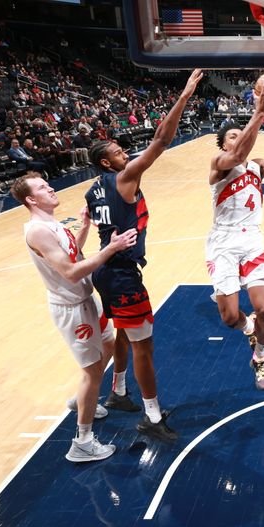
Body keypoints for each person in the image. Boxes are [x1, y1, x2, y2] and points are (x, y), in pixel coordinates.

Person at [85, 69, 204, 441]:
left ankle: (118, 392)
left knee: (122, 330)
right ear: (107, 163)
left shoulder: (92, 190)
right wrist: (184, 96)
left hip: (104, 271)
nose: (127, 154)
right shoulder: (123, 179)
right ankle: (152, 417)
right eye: (120, 153)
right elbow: (160, 140)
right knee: (144, 347)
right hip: (121, 273)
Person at [10, 172, 139, 462]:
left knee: (107, 347)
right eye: (43, 187)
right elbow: (70, 272)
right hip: (72, 310)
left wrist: (83, 226)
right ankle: (82, 442)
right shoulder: (37, 230)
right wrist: (111, 249)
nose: (51, 187)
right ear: (31, 199)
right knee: (92, 372)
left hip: (86, 300)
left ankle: (83, 398)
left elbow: (74, 254)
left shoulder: (51, 223)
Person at [207, 82, 264, 391]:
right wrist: (259, 113)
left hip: (252, 240)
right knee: (230, 316)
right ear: (223, 146)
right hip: (222, 242)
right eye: (231, 136)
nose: (237, 139)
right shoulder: (219, 165)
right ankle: (248, 330)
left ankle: (260, 356)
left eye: (238, 134)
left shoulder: (256, 166)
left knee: (263, 308)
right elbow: (239, 153)